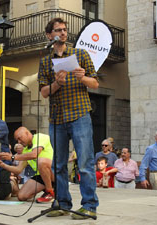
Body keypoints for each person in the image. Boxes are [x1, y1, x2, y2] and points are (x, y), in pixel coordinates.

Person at [39, 17, 99, 219]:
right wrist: (57, 83)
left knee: (84, 162)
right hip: (57, 118)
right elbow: (44, 92)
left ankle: (89, 205)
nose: (63, 33)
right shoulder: (45, 61)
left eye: (64, 30)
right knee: (58, 164)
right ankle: (62, 203)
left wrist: (82, 77)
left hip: (80, 114)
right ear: (49, 35)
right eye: (58, 30)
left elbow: (95, 84)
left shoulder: (80, 54)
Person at [0, 127, 54, 203]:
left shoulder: (40, 137)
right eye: (17, 140)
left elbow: (34, 154)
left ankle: (50, 192)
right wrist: (2, 164)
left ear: (27, 133)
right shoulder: (25, 151)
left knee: (41, 162)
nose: (19, 142)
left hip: (54, 172)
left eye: (20, 138)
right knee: (21, 196)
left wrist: (12, 157)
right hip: (41, 176)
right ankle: (48, 188)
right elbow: (18, 170)